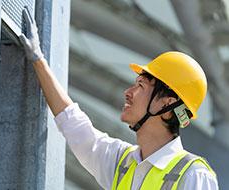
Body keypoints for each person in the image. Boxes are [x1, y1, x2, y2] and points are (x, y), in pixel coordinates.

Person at [19, 7, 219, 190]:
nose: (128, 92)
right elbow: (74, 125)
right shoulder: (120, 162)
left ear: (167, 103)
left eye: (140, 85)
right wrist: (38, 60)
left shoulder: (194, 176)